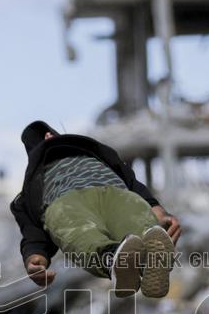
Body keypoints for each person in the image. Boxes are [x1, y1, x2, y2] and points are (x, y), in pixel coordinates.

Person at [10, 120, 182, 298]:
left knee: (137, 220)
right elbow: (32, 231)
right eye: (40, 139)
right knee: (81, 234)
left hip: (116, 192)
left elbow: (132, 182)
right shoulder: (29, 193)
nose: (47, 136)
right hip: (67, 202)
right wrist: (34, 257)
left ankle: (150, 261)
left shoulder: (97, 154)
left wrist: (157, 209)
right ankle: (113, 259)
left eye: (50, 133)